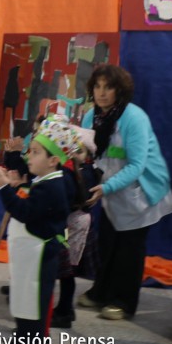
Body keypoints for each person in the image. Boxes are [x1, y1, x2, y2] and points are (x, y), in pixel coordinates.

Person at [77, 65, 172, 320]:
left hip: (141, 190)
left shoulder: (134, 117)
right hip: (110, 189)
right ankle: (100, 292)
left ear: (119, 90)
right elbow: (90, 153)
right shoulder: (90, 117)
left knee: (129, 249)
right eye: (97, 86)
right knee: (108, 242)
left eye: (108, 87)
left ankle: (123, 302)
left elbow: (136, 165)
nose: (102, 93)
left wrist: (106, 186)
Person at [0, 117, 77, 344]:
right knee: (24, 310)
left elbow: (24, 212)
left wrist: (4, 188)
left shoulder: (52, 187)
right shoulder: (44, 181)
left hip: (40, 260)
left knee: (33, 317)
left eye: (36, 152)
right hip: (31, 258)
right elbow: (26, 193)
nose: (30, 156)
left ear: (53, 160)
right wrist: (14, 183)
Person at [51, 127, 100, 328]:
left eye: (80, 151)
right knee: (65, 271)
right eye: (72, 150)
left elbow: (77, 198)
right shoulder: (72, 170)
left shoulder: (86, 173)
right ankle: (64, 309)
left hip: (77, 225)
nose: (75, 155)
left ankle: (65, 311)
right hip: (70, 223)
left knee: (67, 271)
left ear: (88, 155)